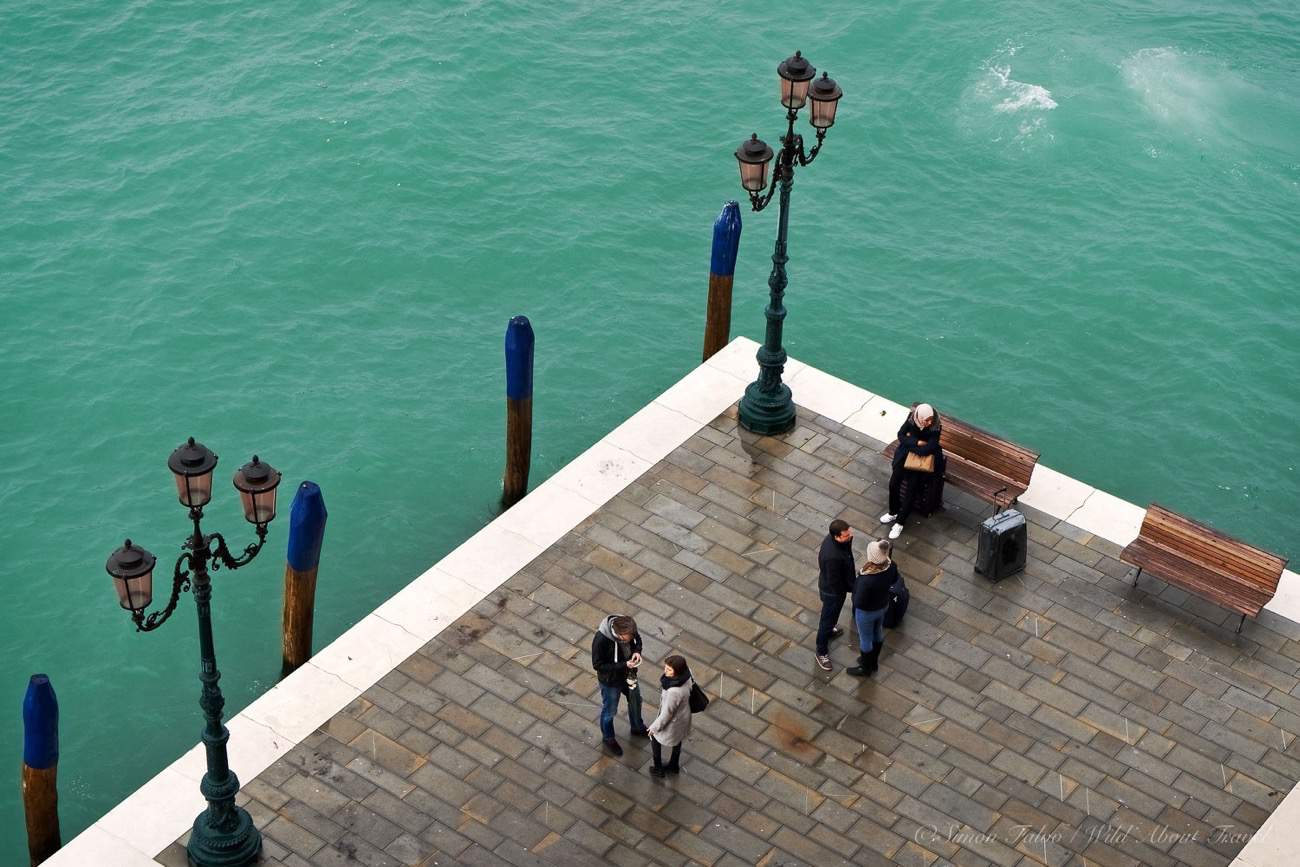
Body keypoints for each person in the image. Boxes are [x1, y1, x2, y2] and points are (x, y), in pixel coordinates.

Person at [880, 403, 945, 541]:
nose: (928, 422)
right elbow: (901, 435)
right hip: (904, 458)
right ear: (918, 416)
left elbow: (929, 448)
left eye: (930, 419)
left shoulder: (935, 426)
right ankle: (893, 511)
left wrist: (910, 444)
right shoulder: (912, 418)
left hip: (920, 464)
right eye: (925, 420)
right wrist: (917, 442)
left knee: (911, 491)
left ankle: (900, 523)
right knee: (893, 484)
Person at [591, 614, 648, 755]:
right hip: (611, 681)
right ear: (619, 634)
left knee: (636, 701)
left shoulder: (630, 629)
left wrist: (637, 652)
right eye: (628, 637)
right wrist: (624, 664)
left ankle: (637, 726)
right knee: (609, 711)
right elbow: (598, 665)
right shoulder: (601, 640)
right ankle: (608, 738)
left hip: (629, 675)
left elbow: (638, 640)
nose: (630, 639)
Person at [848, 540, 897, 677]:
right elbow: (894, 580)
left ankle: (865, 668)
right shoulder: (891, 565)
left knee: (865, 639)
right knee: (877, 632)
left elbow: (859, 601)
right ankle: (873, 662)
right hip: (882, 606)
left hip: (867, 612)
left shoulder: (867, 579)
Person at [815, 518, 856, 672]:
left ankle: (830, 628)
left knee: (832, 616)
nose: (850, 536)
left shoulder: (838, 542)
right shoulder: (832, 557)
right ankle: (821, 651)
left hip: (835, 588)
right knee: (827, 618)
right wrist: (850, 587)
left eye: (849, 533)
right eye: (846, 535)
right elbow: (834, 581)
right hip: (833, 592)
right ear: (836, 536)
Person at [647, 654, 693, 777]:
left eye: (669, 669)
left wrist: (654, 728)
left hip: (673, 722)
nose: (665, 671)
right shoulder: (687, 674)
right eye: (665, 667)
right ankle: (674, 765)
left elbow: (667, 713)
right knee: (678, 740)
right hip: (683, 717)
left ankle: (658, 769)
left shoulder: (674, 691)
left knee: (654, 739)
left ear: (677, 671)